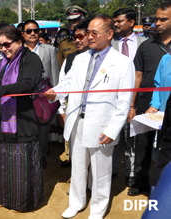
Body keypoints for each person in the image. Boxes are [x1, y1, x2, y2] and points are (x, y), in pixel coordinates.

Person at [44, 14, 134, 219]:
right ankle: (76, 203)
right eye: (88, 33)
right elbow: (67, 84)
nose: (89, 37)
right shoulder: (79, 58)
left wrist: (113, 129)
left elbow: (124, 101)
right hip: (77, 121)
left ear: (109, 34)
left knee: (101, 171)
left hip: (102, 125)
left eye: (94, 33)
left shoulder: (122, 63)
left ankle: (98, 209)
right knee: (77, 167)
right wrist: (55, 93)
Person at [0, 26, 44, 211]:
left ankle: (23, 202)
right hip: (1, 122)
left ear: (19, 41)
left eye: (7, 44)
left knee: (20, 166)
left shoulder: (31, 59)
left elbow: (28, 84)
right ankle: (5, 198)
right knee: (3, 163)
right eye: (0, 45)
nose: (4, 49)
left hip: (22, 121)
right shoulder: (3, 63)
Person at [127, 1, 171, 196]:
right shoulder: (146, 46)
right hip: (149, 106)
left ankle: (162, 187)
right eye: (156, 19)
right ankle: (139, 182)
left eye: (164, 19)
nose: (158, 23)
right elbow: (137, 76)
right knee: (143, 146)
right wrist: (133, 104)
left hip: (168, 110)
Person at [111, 8, 147, 187]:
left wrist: (133, 103)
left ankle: (131, 173)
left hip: (136, 99)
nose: (115, 24)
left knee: (132, 138)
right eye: (114, 21)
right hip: (113, 99)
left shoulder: (144, 43)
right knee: (113, 136)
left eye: (119, 21)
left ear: (131, 22)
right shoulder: (110, 44)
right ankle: (112, 170)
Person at [23, 19, 60, 168]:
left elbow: (55, 74)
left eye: (35, 31)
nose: (32, 34)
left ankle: (42, 155)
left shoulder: (49, 50)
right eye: (29, 31)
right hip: (25, 96)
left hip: (44, 96)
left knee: (43, 127)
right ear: (23, 34)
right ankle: (28, 155)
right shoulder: (19, 51)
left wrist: (56, 95)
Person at [58, 19, 91, 168]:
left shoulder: (107, 58)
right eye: (74, 37)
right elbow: (63, 83)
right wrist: (61, 110)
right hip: (75, 112)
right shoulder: (72, 59)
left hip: (95, 115)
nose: (77, 41)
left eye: (80, 37)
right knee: (78, 156)